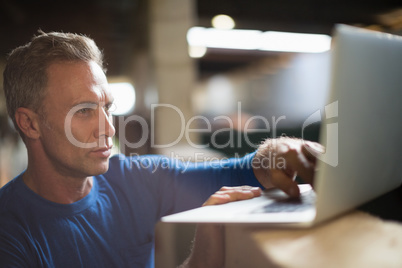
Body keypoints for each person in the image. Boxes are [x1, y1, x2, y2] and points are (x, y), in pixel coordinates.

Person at [0, 31, 322, 268]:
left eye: (107, 109)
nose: (108, 129)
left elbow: (246, 171)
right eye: (83, 111)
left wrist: (278, 152)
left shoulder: (130, 178)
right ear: (30, 124)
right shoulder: (9, 233)